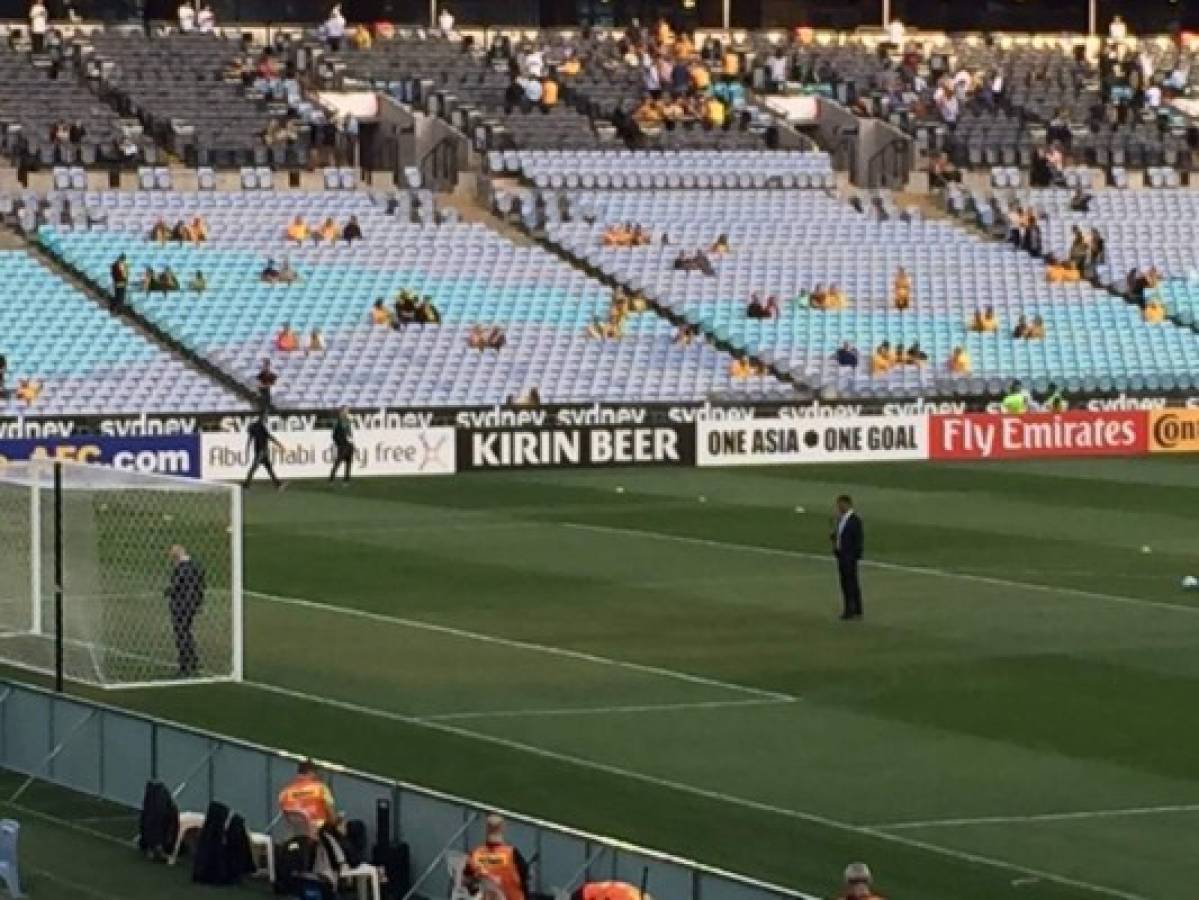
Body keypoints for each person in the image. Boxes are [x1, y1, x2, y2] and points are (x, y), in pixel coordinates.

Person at [466, 814, 529, 900]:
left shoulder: (475, 855)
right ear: (503, 828)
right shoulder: (512, 854)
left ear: (486, 829)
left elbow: (468, 884)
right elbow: (525, 881)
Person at [164, 544, 204, 676]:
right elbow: (201, 586)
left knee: (181, 633)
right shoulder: (196, 566)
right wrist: (198, 603)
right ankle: (192, 660)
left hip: (181, 606)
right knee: (185, 631)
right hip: (191, 605)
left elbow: (177, 586)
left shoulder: (183, 569)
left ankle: (186, 662)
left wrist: (168, 591)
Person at [830, 494, 864, 621]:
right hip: (842, 555)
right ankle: (855, 609)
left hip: (849, 557)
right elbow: (840, 535)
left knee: (849, 583)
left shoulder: (854, 520)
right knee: (848, 583)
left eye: (840, 504)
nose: (838, 507)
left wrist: (855, 556)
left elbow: (858, 539)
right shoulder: (841, 519)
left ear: (847, 504)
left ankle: (850, 610)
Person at [244, 416, 285, 489]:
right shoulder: (261, 428)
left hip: (260, 452)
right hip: (262, 452)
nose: (265, 421)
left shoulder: (255, 428)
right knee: (256, 469)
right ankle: (246, 485)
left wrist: (247, 447)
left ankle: (278, 485)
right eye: (265, 420)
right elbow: (269, 436)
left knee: (267, 469)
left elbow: (250, 438)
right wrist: (279, 445)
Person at [329, 406, 354, 483]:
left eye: (347, 411)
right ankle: (332, 478)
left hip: (348, 443)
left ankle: (346, 479)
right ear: (341, 411)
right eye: (346, 410)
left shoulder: (348, 421)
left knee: (349, 461)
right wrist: (338, 442)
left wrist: (349, 435)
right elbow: (334, 434)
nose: (347, 412)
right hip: (342, 444)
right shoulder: (338, 421)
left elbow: (350, 433)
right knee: (338, 461)